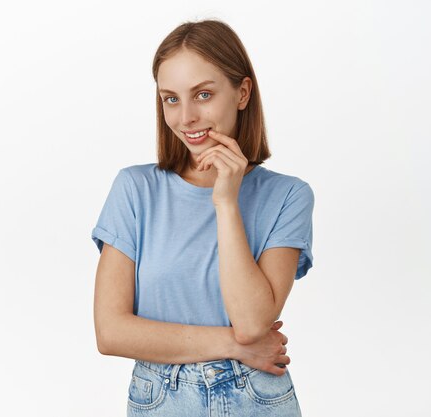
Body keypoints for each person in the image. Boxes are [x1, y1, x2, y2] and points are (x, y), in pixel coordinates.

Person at [91, 19, 314, 417]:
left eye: (204, 94)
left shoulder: (288, 196)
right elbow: (111, 332)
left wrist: (226, 202)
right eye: (171, 99)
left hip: (258, 398)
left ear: (242, 92)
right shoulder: (135, 189)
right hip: (160, 399)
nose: (186, 117)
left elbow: (251, 323)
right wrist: (232, 345)